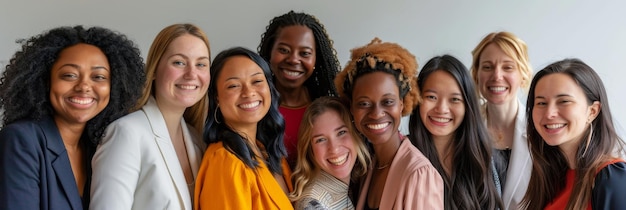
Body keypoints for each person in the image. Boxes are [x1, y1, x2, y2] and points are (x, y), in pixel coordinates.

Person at [0, 25, 145, 210]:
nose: (84, 86)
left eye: (99, 77)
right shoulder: (21, 139)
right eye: (69, 75)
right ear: (46, 80)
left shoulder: (98, 147)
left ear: (115, 87)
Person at [90, 23, 210, 210]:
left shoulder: (197, 140)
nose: (192, 74)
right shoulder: (126, 133)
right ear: (154, 70)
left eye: (201, 64)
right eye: (179, 62)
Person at [335, 38, 444, 209]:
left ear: (402, 103)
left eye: (387, 102)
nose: (377, 113)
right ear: (352, 109)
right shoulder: (367, 167)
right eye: (364, 103)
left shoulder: (419, 174)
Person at [194, 47, 292, 210]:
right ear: (216, 98)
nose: (249, 92)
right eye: (233, 86)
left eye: (257, 81)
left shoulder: (267, 150)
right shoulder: (226, 161)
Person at [521, 59, 626, 210]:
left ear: (592, 111)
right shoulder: (551, 179)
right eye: (541, 103)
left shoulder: (611, 178)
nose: (549, 113)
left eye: (563, 101)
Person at [408, 55, 503, 209]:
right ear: (417, 100)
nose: (442, 109)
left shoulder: (487, 160)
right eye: (431, 97)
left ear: (468, 106)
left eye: (454, 99)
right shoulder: (402, 157)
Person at [258, 10, 341, 168]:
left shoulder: (329, 109)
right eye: (284, 50)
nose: (294, 60)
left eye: (305, 53)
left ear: (316, 59)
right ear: (270, 52)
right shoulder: (254, 105)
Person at [470, 31, 533, 209]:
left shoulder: (542, 131)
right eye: (488, 67)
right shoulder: (463, 130)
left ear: (523, 74)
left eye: (508, 67)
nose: (497, 76)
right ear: (476, 74)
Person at [290, 96, 371, 210]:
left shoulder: (353, 186)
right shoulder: (313, 204)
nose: (334, 149)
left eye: (341, 132)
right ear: (310, 149)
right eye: (321, 140)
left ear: (356, 134)